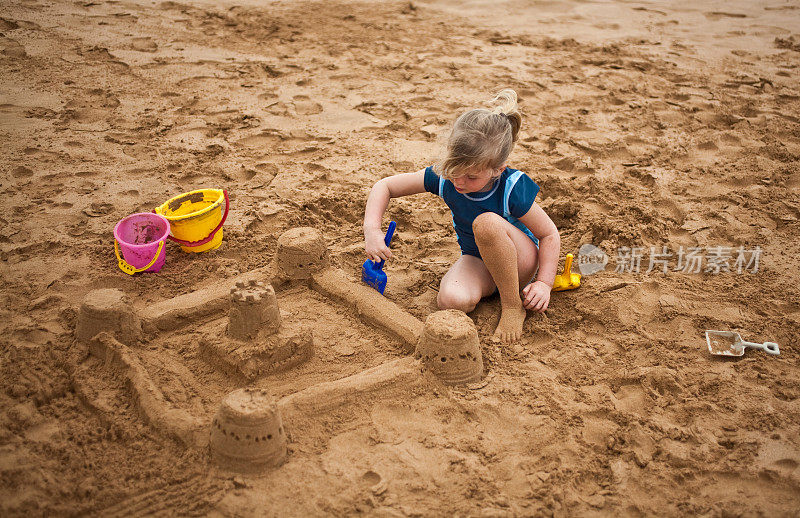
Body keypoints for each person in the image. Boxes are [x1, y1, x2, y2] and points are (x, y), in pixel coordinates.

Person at [363, 89, 561, 343]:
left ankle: (512, 305)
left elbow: (548, 234)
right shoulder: (447, 177)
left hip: (521, 261)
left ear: (496, 170)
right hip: (479, 259)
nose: (459, 181)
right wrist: (372, 230)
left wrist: (544, 282)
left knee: (486, 223)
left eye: (471, 177)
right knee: (450, 300)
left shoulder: (511, 187)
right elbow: (385, 186)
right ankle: (495, 289)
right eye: (454, 170)